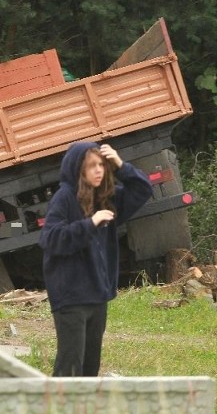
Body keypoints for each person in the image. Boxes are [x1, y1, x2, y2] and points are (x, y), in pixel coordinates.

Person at [39, 142, 152, 376]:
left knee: (91, 368)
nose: (99, 170)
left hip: (97, 295)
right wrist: (90, 224)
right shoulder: (64, 198)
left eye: (102, 165)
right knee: (70, 367)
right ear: (78, 169)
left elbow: (143, 190)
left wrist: (121, 166)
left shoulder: (105, 197)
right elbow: (51, 239)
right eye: (91, 166)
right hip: (70, 297)